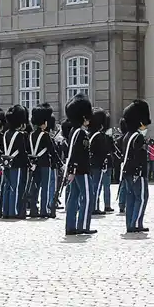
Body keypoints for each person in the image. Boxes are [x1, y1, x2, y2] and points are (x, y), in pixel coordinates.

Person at [118, 99, 152, 234]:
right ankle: (137, 223)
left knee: (131, 198)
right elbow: (139, 157)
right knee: (142, 197)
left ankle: (130, 224)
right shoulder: (137, 137)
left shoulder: (127, 135)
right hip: (137, 172)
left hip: (127, 171)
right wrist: (139, 172)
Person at [64, 95, 94, 236]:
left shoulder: (74, 131)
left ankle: (70, 226)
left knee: (73, 197)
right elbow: (77, 153)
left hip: (76, 170)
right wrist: (74, 169)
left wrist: (71, 170)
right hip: (82, 170)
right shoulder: (81, 132)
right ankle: (83, 225)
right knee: (88, 197)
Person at [0, 105, 29, 219]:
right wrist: (29, 163)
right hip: (17, 164)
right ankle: (14, 211)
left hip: (7, 162)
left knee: (7, 187)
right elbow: (23, 151)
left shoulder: (5, 133)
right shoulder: (20, 135)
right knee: (15, 188)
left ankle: (6, 210)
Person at [29, 105, 56, 218]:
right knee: (45, 187)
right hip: (44, 163)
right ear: (44, 122)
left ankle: (33, 209)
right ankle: (44, 210)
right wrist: (59, 163)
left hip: (34, 164)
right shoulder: (45, 135)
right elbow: (52, 151)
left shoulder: (31, 135)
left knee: (35, 187)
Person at [89, 108, 114, 219]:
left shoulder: (91, 134)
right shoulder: (99, 136)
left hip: (92, 163)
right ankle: (94, 207)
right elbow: (103, 151)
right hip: (98, 164)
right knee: (96, 186)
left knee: (93, 186)